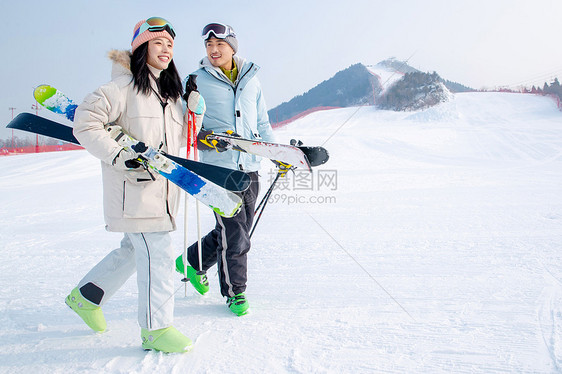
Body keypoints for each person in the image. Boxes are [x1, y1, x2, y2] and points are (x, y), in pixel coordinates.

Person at [66, 17, 204, 353]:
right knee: (157, 254)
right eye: (158, 42)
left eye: (170, 44)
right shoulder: (120, 89)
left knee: (133, 251)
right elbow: (85, 123)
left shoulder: (169, 96)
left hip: (164, 193)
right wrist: (117, 156)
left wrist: (194, 112)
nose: (166, 49)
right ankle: (156, 329)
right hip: (135, 192)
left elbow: (185, 139)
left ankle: (87, 296)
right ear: (141, 48)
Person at [175, 22, 276, 316]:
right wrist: (202, 137)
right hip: (218, 170)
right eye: (209, 46)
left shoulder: (252, 80)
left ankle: (192, 260)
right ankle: (235, 292)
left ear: (232, 47)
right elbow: (184, 124)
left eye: (220, 45)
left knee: (238, 227)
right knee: (235, 234)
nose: (214, 50)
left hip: (250, 166)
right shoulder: (195, 80)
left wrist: (275, 152)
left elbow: (262, 122)